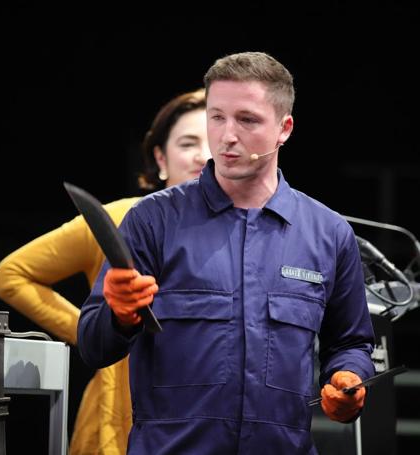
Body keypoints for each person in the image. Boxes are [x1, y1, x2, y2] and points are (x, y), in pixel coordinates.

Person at [77, 52, 376, 454]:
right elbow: (94, 347)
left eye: (247, 120)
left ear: (284, 128)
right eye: (217, 117)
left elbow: (351, 343)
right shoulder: (153, 221)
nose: (227, 135)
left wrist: (349, 381)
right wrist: (118, 314)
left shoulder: (328, 233)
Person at [0, 89, 210, 454]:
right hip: (120, 417)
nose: (203, 156)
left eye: (213, 142)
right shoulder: (121, 217)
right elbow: (10, 274)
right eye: (189, 143)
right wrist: (91, 332)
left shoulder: (242, 233)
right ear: (160, 158)